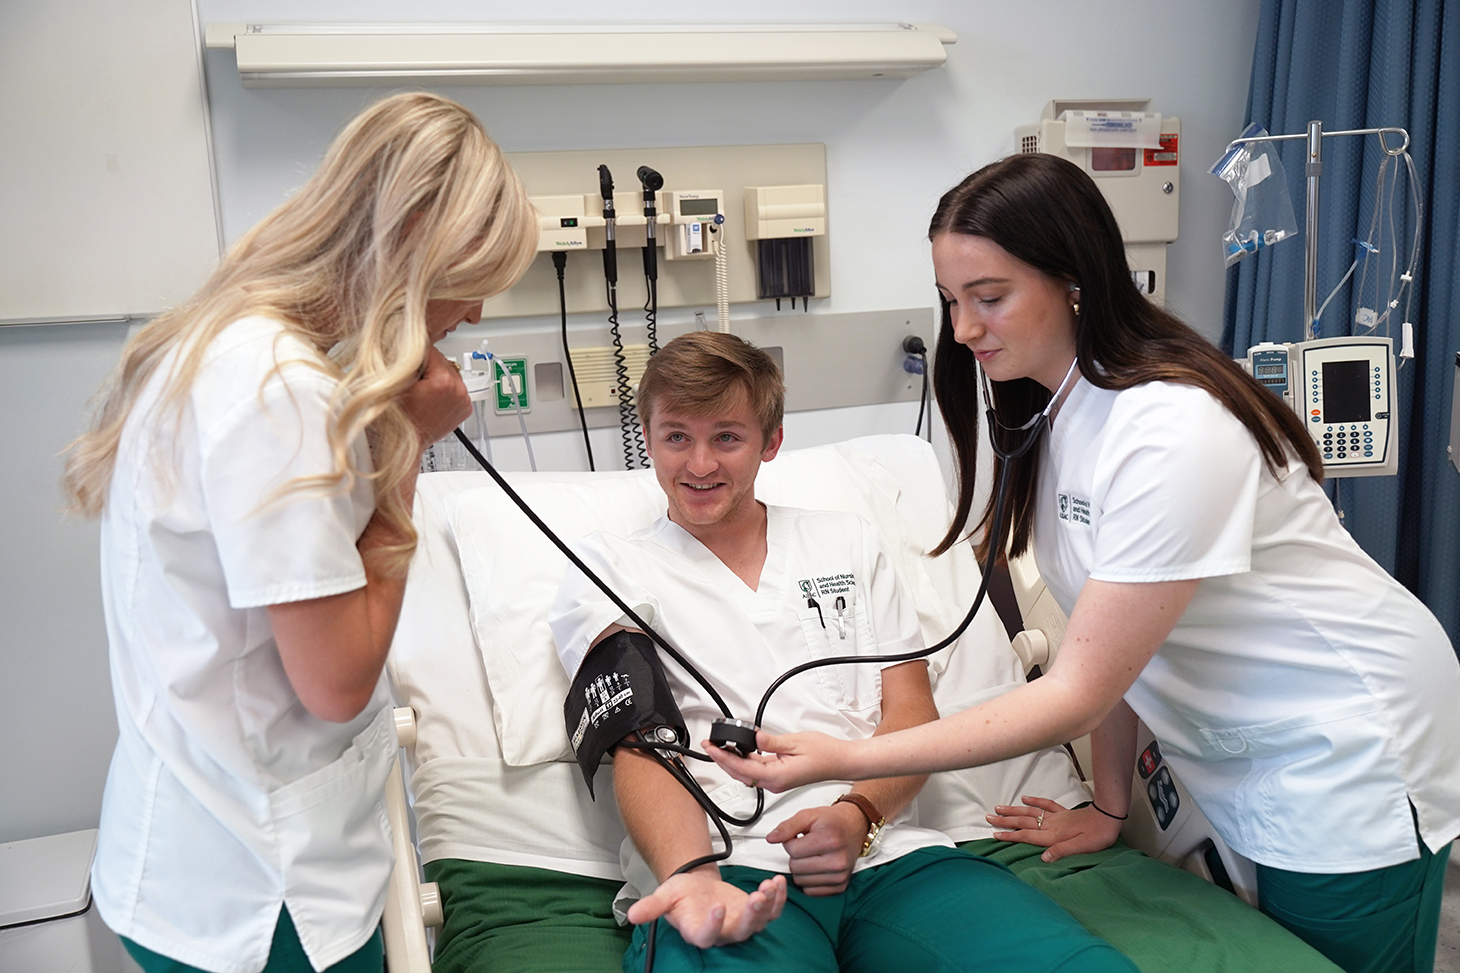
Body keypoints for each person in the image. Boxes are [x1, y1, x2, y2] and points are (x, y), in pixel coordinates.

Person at [707, 152, 1460, 973]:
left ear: (1074, 279)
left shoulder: (1170, 428)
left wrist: (841, 759)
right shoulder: (1058, 409)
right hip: (1250, 752)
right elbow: (1105, 646)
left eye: (989, 298)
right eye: (952, 300)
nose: (962, 329)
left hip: (1346, 744)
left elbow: (1075, 692)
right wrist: (1107, 803)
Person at [62, 92, 536, 973]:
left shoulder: (234, 341)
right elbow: (336, 680)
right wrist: (406, 454)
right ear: (415, 251)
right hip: (256, 887)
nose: (472, 317)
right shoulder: (278, 393)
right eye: (471, 283)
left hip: (218, 833)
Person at [549, 331, 1137, 973]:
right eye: (676, 437)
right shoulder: (609, 568)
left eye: (726, 437)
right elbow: (637, 744)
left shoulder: (846, 543)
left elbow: (911, 710)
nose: (698, 464)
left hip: (890, 858)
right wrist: (689, 874)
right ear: (649, 437)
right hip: (723, 869)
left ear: (770, 442)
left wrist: (857, 815)